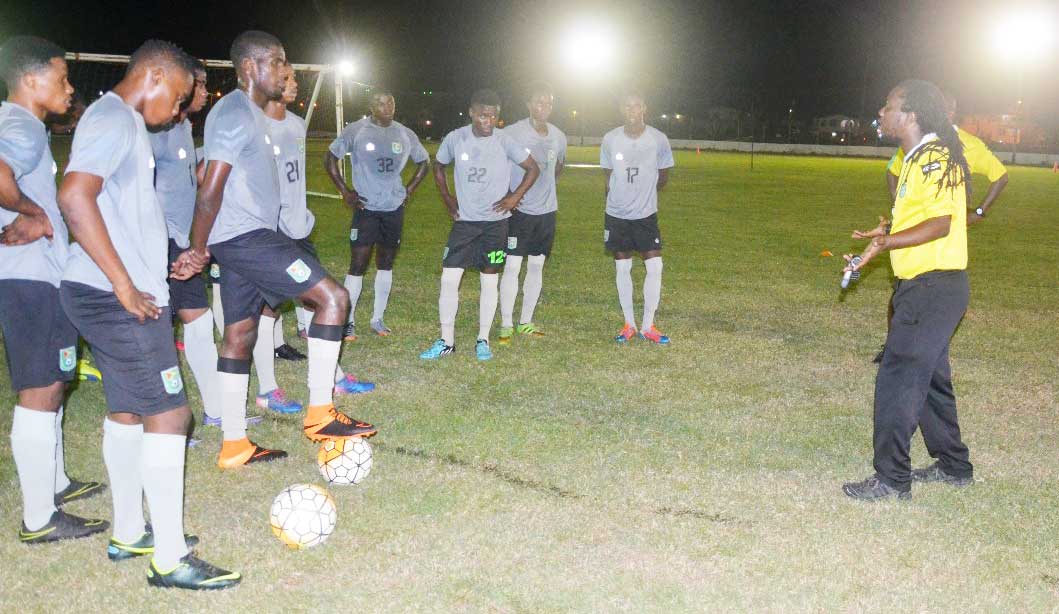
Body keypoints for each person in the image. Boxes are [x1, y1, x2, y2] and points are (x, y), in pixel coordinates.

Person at [58, 39, 239, 589]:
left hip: (106, 289)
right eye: (180, 97)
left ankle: (130, 530)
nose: (181, 111)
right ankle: (168, 557)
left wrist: (168, 256)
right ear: (155, 76)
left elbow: (122, 209)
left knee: (130, 411)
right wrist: (125, 284)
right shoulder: (114, 119)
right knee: (171, 414)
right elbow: (74, 197)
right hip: (114, 297)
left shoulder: (125, 124)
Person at [189, 30, 376, 470]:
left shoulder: (250, 113)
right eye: (277, 62)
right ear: (250, 68)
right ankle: (320, 414)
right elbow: (209, 187)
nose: (284, 69)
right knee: (333, 298)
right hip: (246, 239)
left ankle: (234, 443)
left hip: (241, 237)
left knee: (238, 334)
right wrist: (198, 249)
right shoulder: (235, 112)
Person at [841, 79, 975, 501]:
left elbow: (940, 224)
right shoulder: (917, 157)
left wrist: (887, 242)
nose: (881, 112)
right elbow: (921, 219)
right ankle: (954, 466)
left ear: (911, 114)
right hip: (930, 286)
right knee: (932, 382)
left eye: (888, 105)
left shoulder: (932, 157)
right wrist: (881, 239)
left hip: (932, 287)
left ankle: (892, 478)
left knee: (897, 377)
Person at [0, 35, 107, 544]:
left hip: (36, 275)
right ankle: (39, 517)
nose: (69, 88)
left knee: (55, 381)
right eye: (61, 78)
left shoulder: (24, 126)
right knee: (40, 390)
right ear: (30, 79)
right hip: (28, 278)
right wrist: (32, 212)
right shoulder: (19, 124)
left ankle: (56, 482)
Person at [264, 62, 374, 404]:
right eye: (287, 77)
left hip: (299, 232)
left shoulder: (297, 125)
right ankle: (268, 389)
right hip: (271, 235)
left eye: (295, 76)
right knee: (266, 309)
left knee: (316, 299)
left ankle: (333, 378)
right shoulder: (254, 127)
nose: (294, 83)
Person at [871, 94, 1010, 363]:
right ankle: (895, 346)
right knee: (902, 292)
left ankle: (920, 350)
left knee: (933, 296)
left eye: (949, 109)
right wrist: (899, 210)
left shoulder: (967, 144)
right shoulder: (917, 145)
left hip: (943, 235)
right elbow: (892, 172)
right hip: (917, 231)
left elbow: (1000, 175)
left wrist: (979, 212)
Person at [421, 88, 540, 361]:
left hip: (495, 225)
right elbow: (437, 166)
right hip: (464, 224)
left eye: (494, 115)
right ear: (472, 112)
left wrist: (514, 197)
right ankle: (446, 341)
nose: (488, 120)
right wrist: (447, 198)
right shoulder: (456, 138)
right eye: (483, 115)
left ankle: (483, 339)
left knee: (489, 281)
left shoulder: (505, 141)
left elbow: (533, 168)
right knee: (449, 280)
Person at [149, 60, 226, 427]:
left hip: (180, 242)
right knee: (159, 329)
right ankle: (163, 420)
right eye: (198, 85)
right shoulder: (154, 129)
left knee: (199, 322)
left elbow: (179, 178)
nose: (204, 92)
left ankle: (215, 409)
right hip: (155, 242)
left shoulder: (183, 128)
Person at [325, 88, 429, 339]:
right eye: (381, 103)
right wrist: (344, 191)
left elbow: (424, 162)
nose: (387, 107)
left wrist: (409, 190)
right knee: (358, 264)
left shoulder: (404, 133)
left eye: (390, 102)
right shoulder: (356, 130)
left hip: (393, 209)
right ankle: (348, 321)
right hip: (366, 209)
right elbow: (330, 158)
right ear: (371, 106)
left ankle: (377, 318)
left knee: (385, 264)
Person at [600, 91, 674, 344]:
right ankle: (629, 324)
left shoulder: (658, 139)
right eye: (627, 106)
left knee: (655, 266)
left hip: (645, 215)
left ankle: (648, 325)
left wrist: (644, 196)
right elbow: (608, 177)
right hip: (617, 214)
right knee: (623, 266)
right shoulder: (610, 139)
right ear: (622, 109)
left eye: (637, 106)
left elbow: (663, 176)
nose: (632, 111)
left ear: (644, 108)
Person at [496, 83, 567, 344]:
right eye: (539, 102)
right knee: (513, 266)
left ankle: (525, 321)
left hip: (546, 212)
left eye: (548, 103)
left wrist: (546, 189)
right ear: (528, 104)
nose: (544, 107)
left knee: (536, 266)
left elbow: (557, 167)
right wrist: (512, 196)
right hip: (520, 212)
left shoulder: (559, 135)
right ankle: (505, 323)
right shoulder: (513, 132)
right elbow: (499, 166)